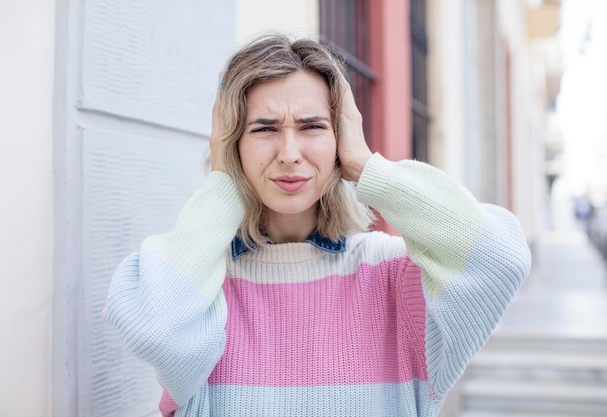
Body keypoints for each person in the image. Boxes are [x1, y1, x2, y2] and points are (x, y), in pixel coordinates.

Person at [103, 34, 531, 416]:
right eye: (264, 129)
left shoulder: (393, 278)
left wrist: (366, 166)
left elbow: (500, 257)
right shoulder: (202, 289)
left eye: (312, 127)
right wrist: (222, 181)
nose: (289, 152)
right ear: (231, 143)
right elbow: (156, 328)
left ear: (341, 139)